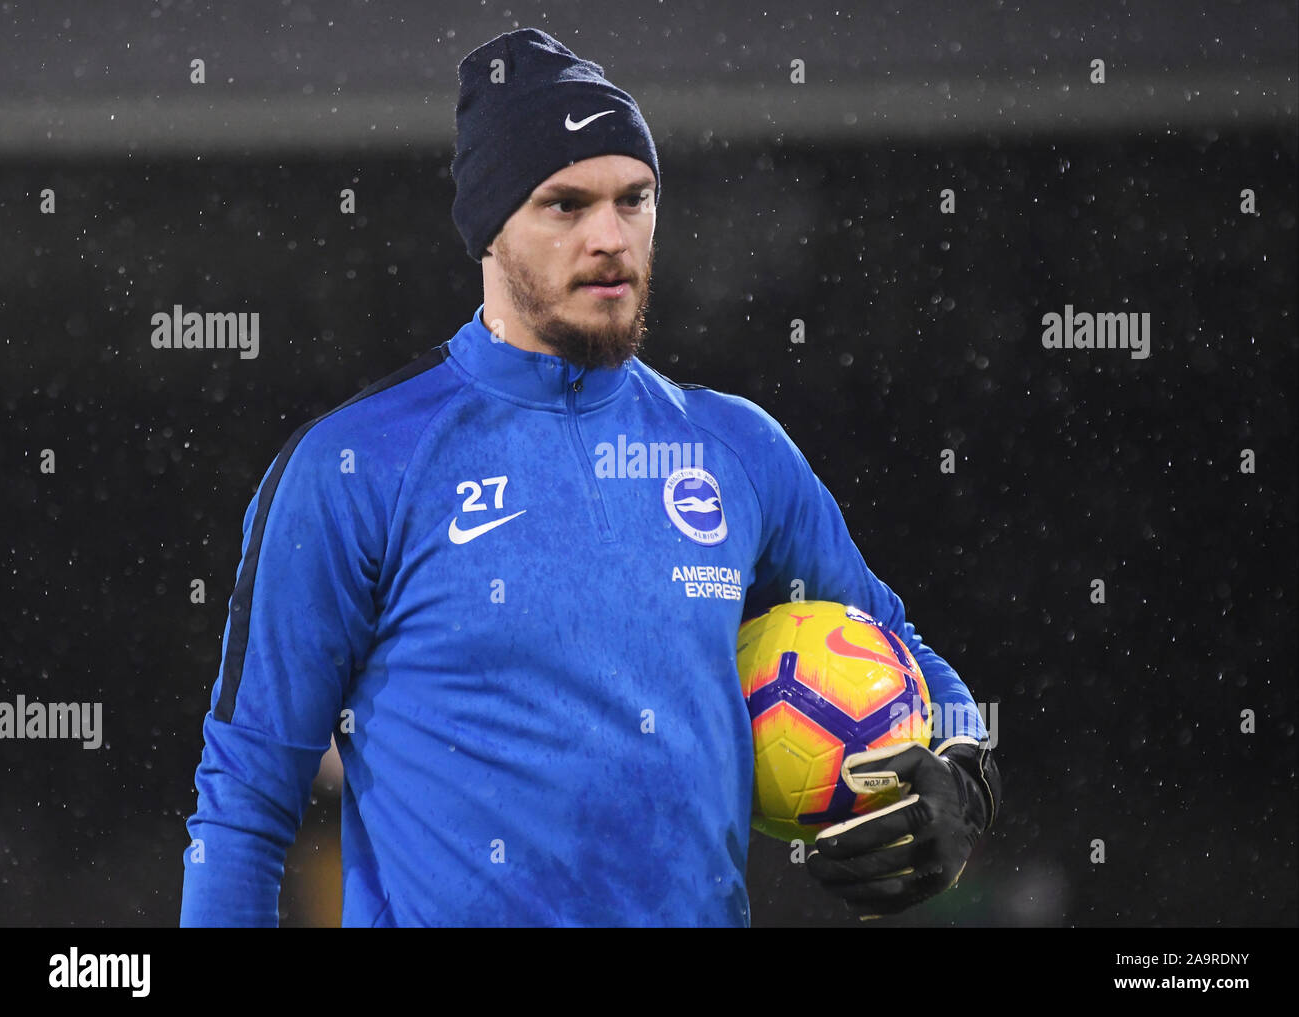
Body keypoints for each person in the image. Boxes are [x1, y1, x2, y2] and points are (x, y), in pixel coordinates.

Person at [180, 27, 1000, 928]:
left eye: (634, 199)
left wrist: (966, 772)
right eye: (565, 205)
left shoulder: (738, 451)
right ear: (489, 228)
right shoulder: (355, 466)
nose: (611, 237)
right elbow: (247, 798)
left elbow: (898, 646)